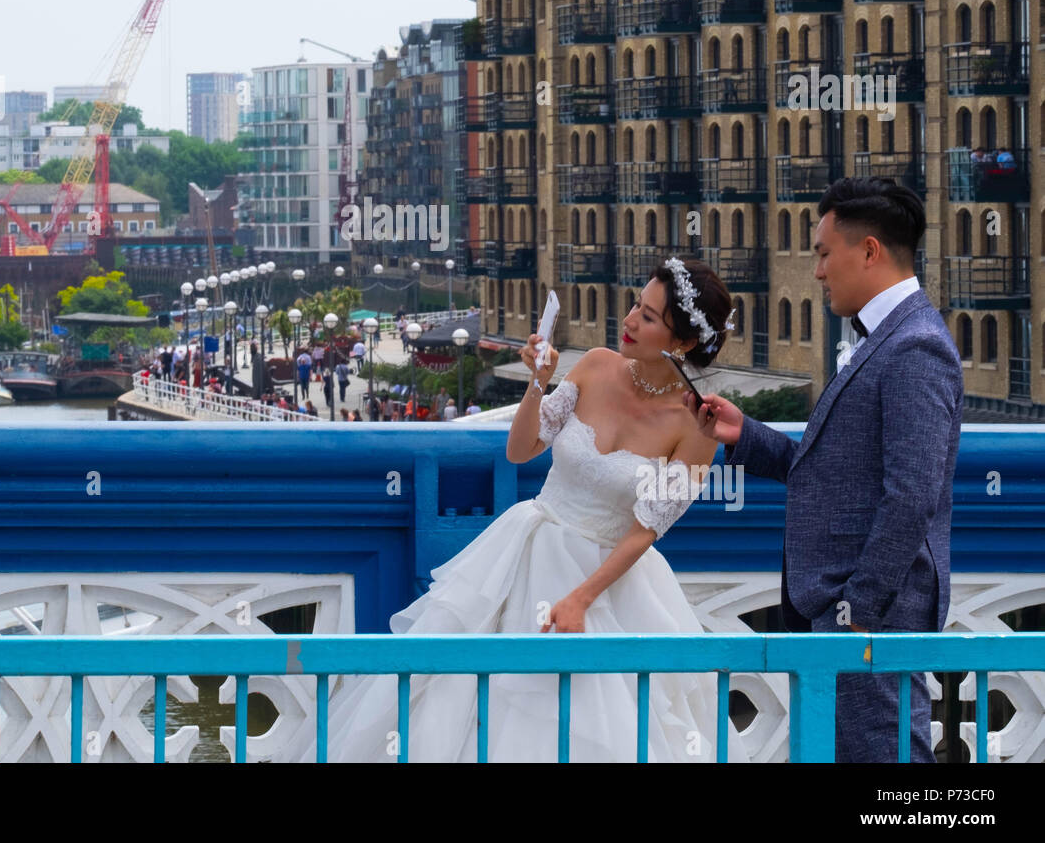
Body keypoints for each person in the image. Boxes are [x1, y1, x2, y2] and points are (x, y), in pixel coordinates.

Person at [276, 255, 746, 763]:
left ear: (684, 342)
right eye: (636, 304)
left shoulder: (698, 425)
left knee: (591, 719)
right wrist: (539, 381)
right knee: (450, 694)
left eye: (650, 317)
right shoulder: (594, 363)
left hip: (608, 582)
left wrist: (581, 599)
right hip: (523, 549)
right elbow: (521, 450)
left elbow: (645, 531)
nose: (630, 320)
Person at [686, 177, 960, 763]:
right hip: (847, 613)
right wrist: (748, 435)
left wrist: (856, 609)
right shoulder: (879, 339)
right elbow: (836, 473)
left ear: (868, 252)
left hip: (871, 620)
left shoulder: (915, 347)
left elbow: (911, 497)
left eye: (822, 252)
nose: (815, 271)